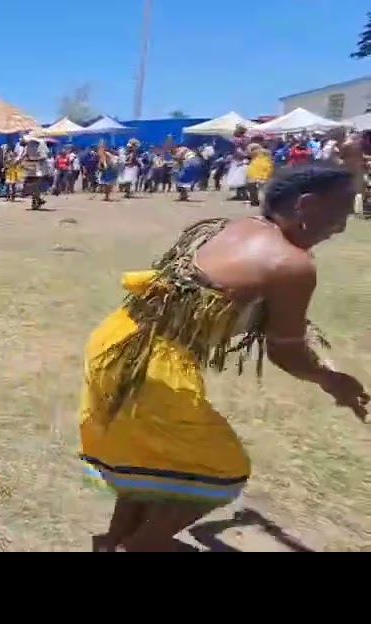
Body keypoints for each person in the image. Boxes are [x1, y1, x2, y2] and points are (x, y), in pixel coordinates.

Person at [79, 162, 367, 552]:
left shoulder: (238, 226)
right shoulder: (292, 263)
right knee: (221, 468)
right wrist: (334, 381)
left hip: (117, 338)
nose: (342, 227)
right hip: (153, 365)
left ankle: (115, 540)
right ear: (308, 205)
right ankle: (145, 545)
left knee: (157, 454)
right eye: (340, 213)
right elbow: (285, 350)